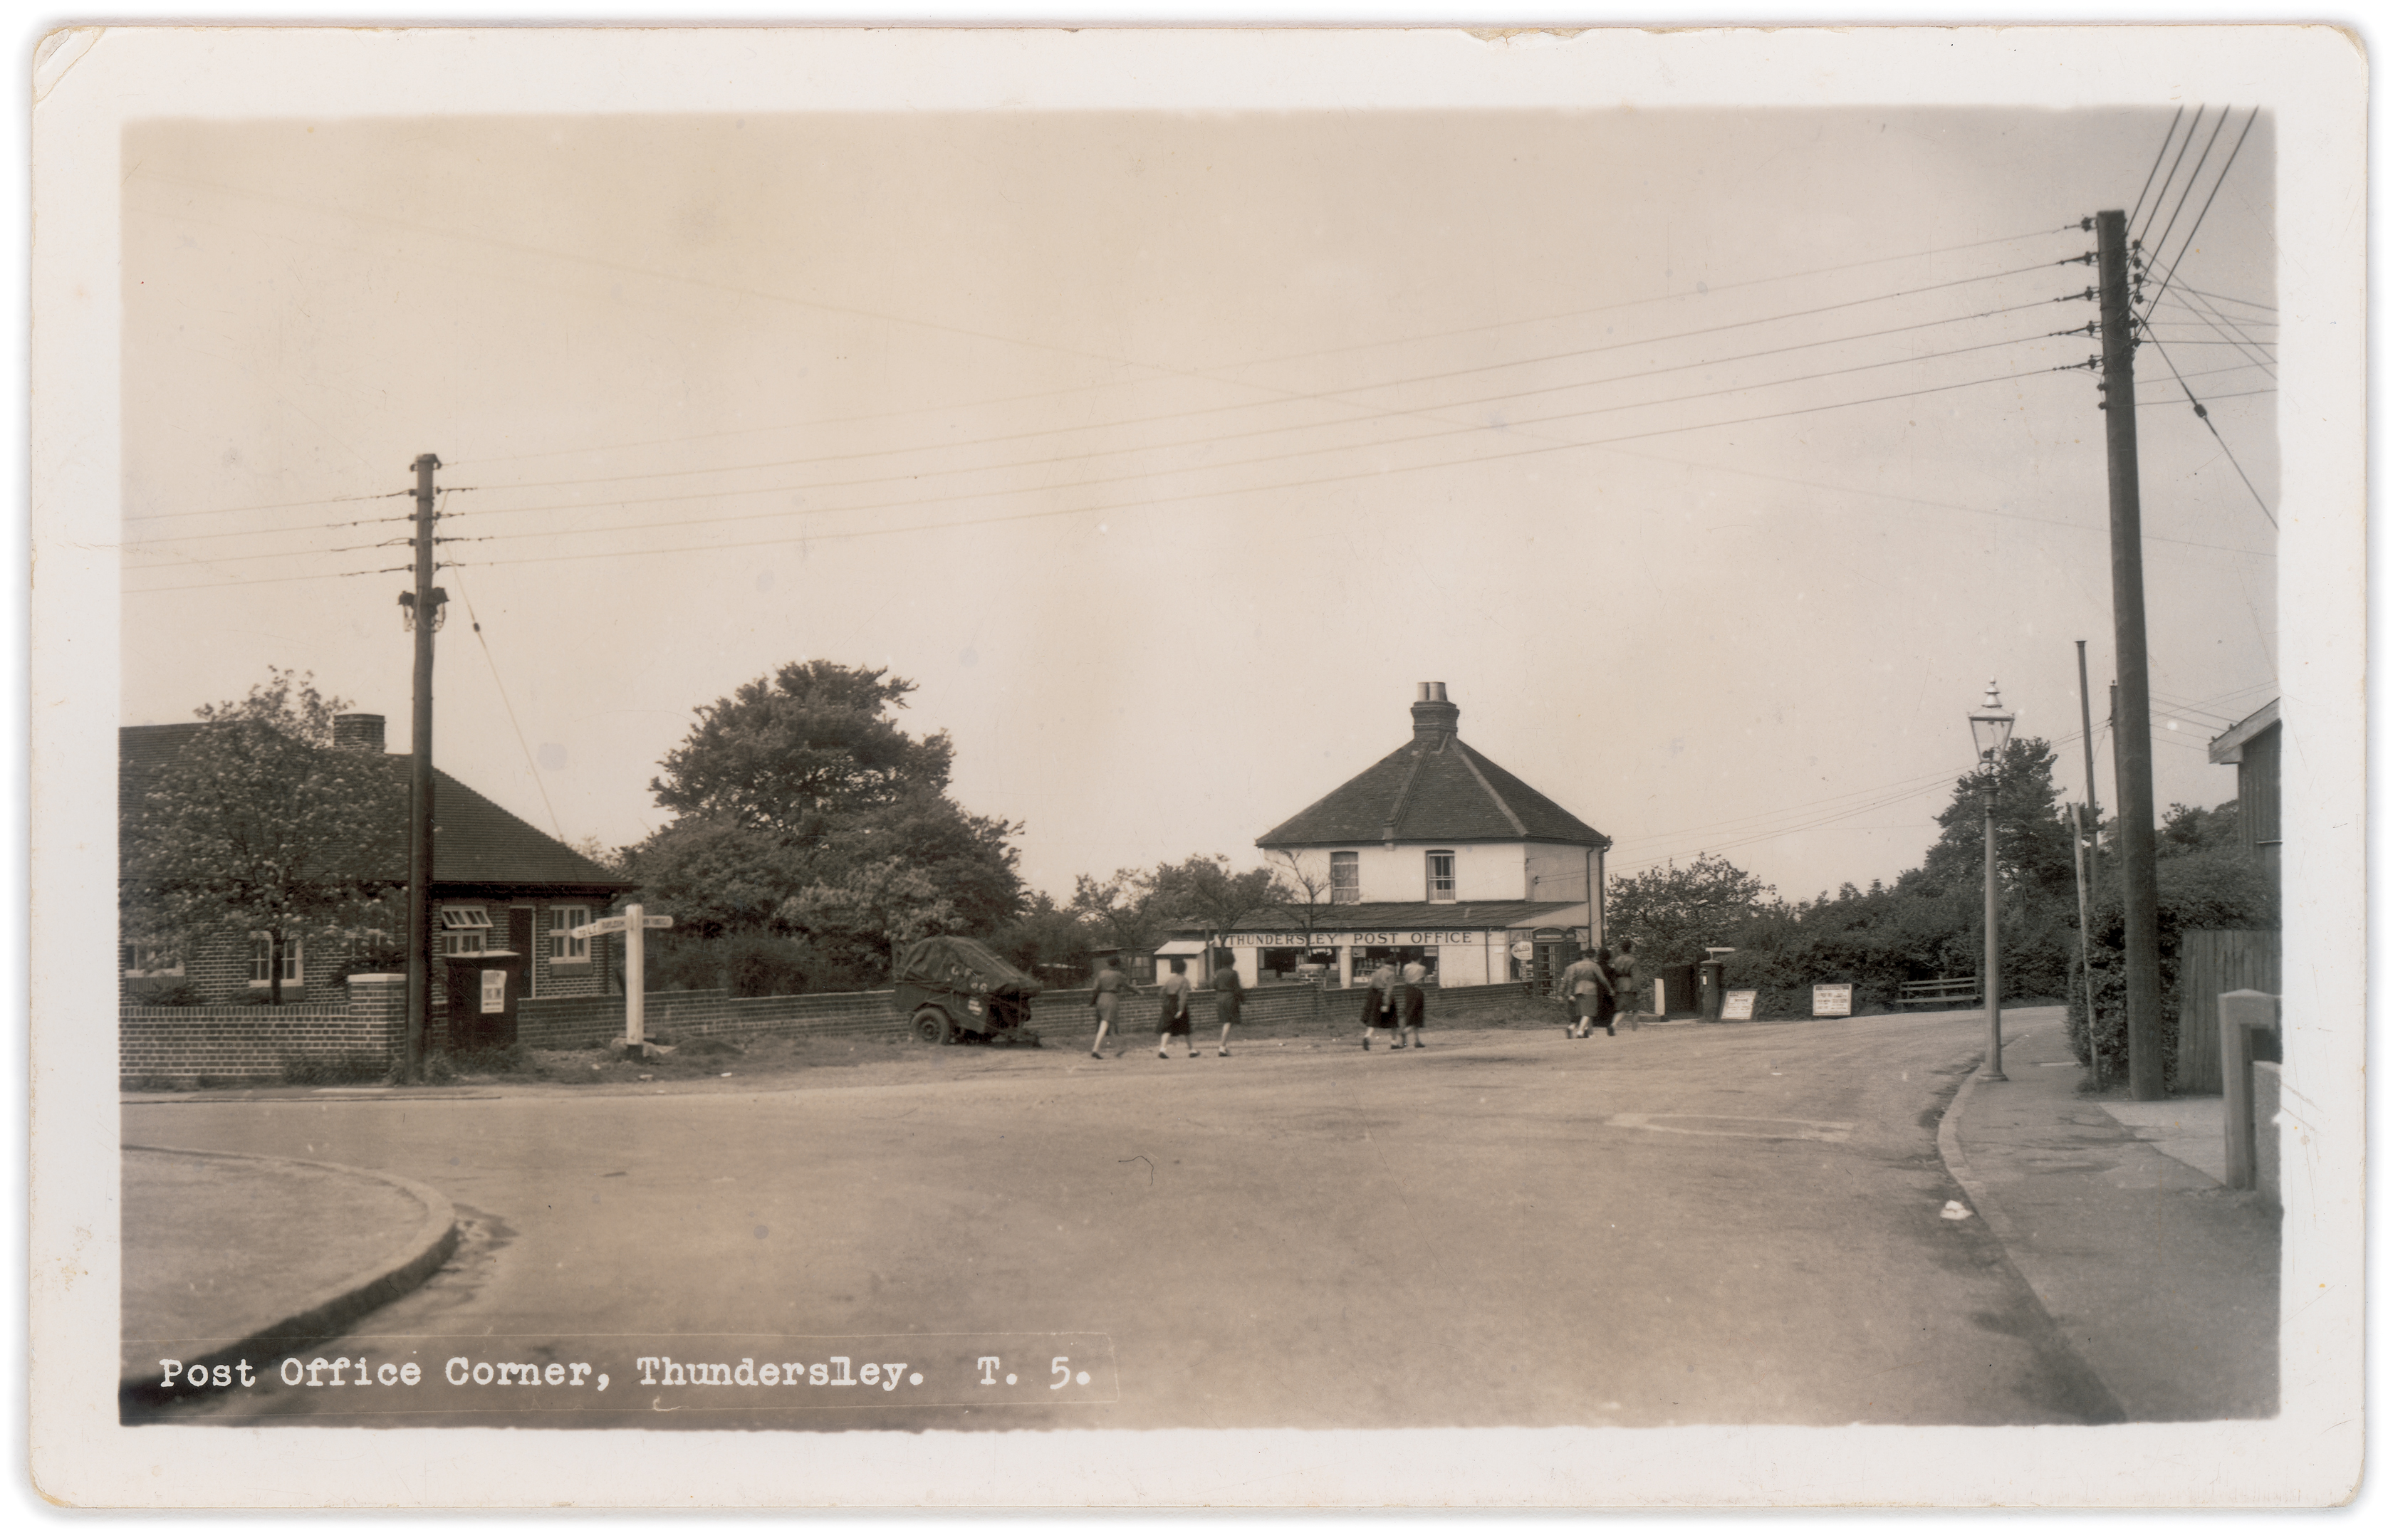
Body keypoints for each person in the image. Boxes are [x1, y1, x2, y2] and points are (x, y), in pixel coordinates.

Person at [1554, 948, 1612, 1039]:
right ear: (1593, 956)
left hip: (1578, 990)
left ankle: (1590, 1034)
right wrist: (1610, 989)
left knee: (1583, 1012)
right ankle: (1580, 1031)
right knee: (1588, 1012)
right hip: (1590, 990)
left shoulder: (1576, 966)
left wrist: (1567, 993)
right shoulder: (1594, 965)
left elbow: (1570, 980)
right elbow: (1603, 979)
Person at [1088, 955, 1133, 1059]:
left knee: (1110, 1025)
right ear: (1117, 964)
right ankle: (1095, 1049)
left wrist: (1093, 1001)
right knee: (1105, 1024)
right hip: (1111, 998)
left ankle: (1119, 1049)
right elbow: (1127, 986)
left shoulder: (1101, 973)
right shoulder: (1118, 975)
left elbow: (1095, 988)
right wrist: (1138, 991)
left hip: (1101, 998)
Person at [1156, 957, 1197, 1058]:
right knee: (1186, 1028)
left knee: (1167, 1027)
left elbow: (1161, 993)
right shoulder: (1184, 980)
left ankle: (1163, 1049)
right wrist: (1181, 1009)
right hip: (1178, 1004)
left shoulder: (1170, 980)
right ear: (1184, 969)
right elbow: (1183, 996)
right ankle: (1191, 1050)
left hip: (1168, 1003)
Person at [1360, 955, 1399, 1049]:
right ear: (1394, 965)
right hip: (1385, 996)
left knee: (1374, 1019)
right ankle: (1394, 1042)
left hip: (1375, 996)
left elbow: (1370, 985)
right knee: (1393, 1020)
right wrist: (1386, 1003)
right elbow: (1389, 990)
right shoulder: (1391, 973)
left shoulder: (1377, 972)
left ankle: (1367, 1036)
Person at [1211, 953, 1245, 1057]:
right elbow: (1237, 988)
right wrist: (1243, 1000)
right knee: (1228, 1022)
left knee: (1226, 1022)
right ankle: (1222, 1047)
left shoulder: (1218, 973)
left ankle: (1224, 1047)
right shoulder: (1233, 973)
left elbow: (1213, 985)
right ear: (1232, 962)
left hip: (1219, 998)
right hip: (1230, 998)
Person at [1398, 955, 1429, 1049]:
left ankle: (1417, 1041)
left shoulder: (1406, 967)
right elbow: (1423, 980)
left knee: (1410, 1013)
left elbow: (1404, 978)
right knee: (1417, 1015)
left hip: (1408, 990)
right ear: (1419, 958)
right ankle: (1405, 1032)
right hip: (1417, 990)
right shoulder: (1422, 968)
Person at [1610, 938, 1641, 1031]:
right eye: (1633, 947)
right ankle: (1635, 1031)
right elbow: (1636, 977)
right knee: (1635, 1010)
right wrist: (1638, 990)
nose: (1634, 948)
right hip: (1630, 986)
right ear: (1630, 948)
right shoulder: (1633, 960)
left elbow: (1613, 974)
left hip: (1619, 986)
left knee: (1621, 1009)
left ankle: (1614, 1024)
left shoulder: (1617, 960)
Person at [1590, 946, 1620, 1037]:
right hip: (1606, 993)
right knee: (1610, 1010)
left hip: (1596, 991)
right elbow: (1613, 981)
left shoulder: (1594, 966)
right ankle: (1609, 1027)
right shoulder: (1610, 969)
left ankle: (1589, 1028)